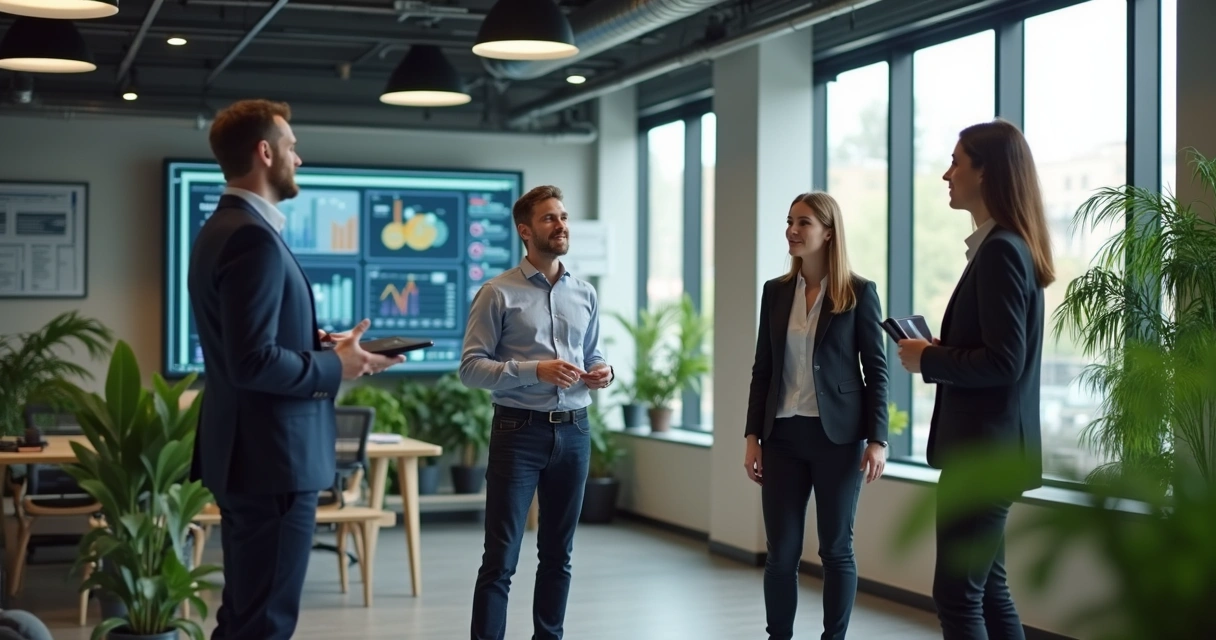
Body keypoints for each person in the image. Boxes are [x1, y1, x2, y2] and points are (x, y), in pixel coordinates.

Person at [187, 99, 402, 640]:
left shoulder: (221, 228)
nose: (298, 159)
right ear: (265, 153)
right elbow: (251, 361)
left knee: (244, 615)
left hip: (248, 457)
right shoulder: (252, 237)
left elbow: (246, 342)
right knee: (264, 623)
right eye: (291, 147)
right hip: (274, 461)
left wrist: (318, 342)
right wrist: (335, 364)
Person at [896, 119, 1053, 640]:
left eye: (956, 163)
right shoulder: (1007, 247)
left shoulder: (1001, 250)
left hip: (984, 456)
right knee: (987, 590)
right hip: (993, 451)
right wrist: (941, 351)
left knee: (957, 595)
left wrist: (930, 360)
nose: (947, 174)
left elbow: (1004, 363)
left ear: (985, 173)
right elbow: (999, 352)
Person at [460, 184, 613, 640]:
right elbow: (471, 368)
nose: (561, 225)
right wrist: (534, 370)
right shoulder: (496, 292)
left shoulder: (584, 293)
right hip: (518, 432)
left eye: (563, 216)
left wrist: (603, 372)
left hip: (575, 431)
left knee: (558, 556)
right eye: (549, 218)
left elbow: (593, 353)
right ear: (525, 231)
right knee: (501, 558)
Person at [744, 191, 890, 640]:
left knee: (836, 550)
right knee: (781, 554)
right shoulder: (775, 292)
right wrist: (752, 437)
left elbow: (877, 371)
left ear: (828, 232)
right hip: (782, 437)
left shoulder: (859, 292)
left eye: (803, 222)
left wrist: (878, 440)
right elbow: (763, 369)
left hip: (837, 440)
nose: (792, 230)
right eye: (790, 221)